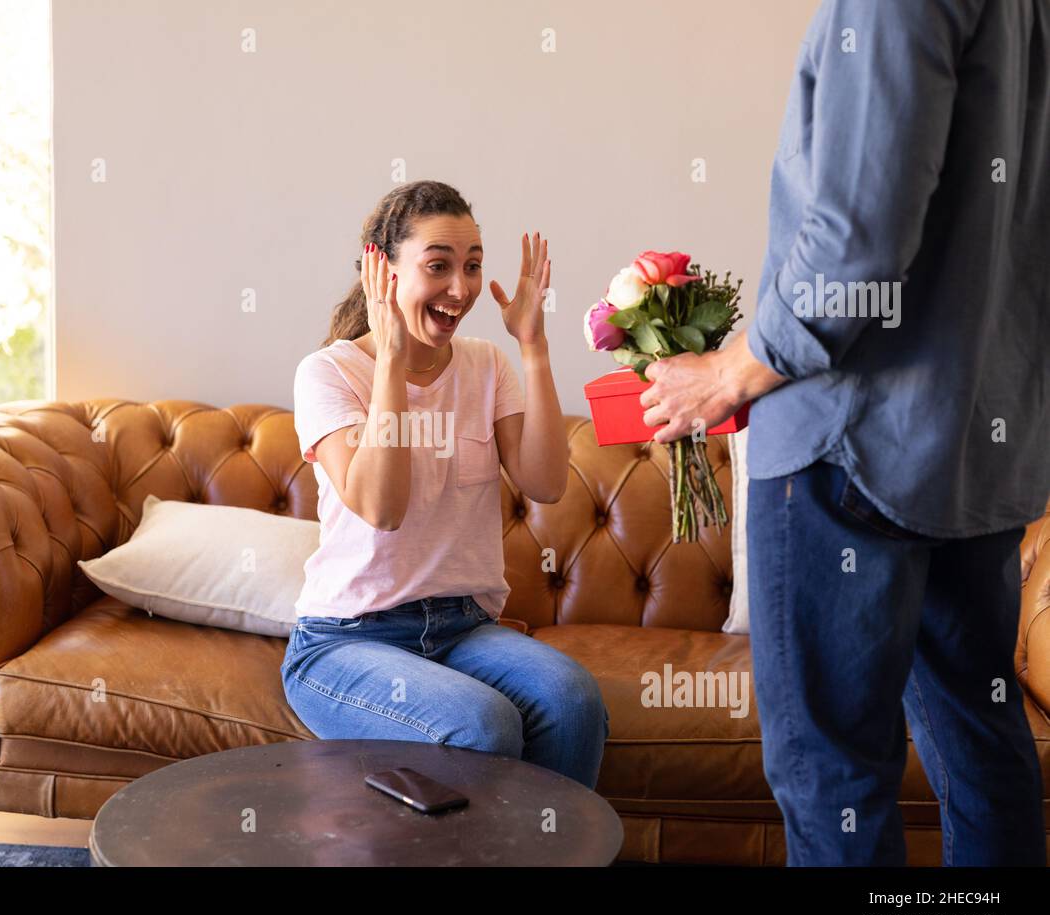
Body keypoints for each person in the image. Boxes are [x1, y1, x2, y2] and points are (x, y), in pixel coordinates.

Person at [635, 0, 1049, 865]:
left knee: (834, 774)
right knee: (983, 748)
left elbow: (858, 240)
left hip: (850, 446)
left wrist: (731, 370)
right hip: (979, 447)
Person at [283, 180, 609, 789]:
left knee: (573, 700)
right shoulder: (327, 373)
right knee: (483, 725)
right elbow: (382, 507)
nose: (461, 290)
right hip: (346, 640)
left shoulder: (486, 364)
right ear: (382, 269)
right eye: (438, 266)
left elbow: (546, 483)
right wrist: (391, 360)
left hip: (462, 626)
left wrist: (532, 344)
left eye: (473, 266)